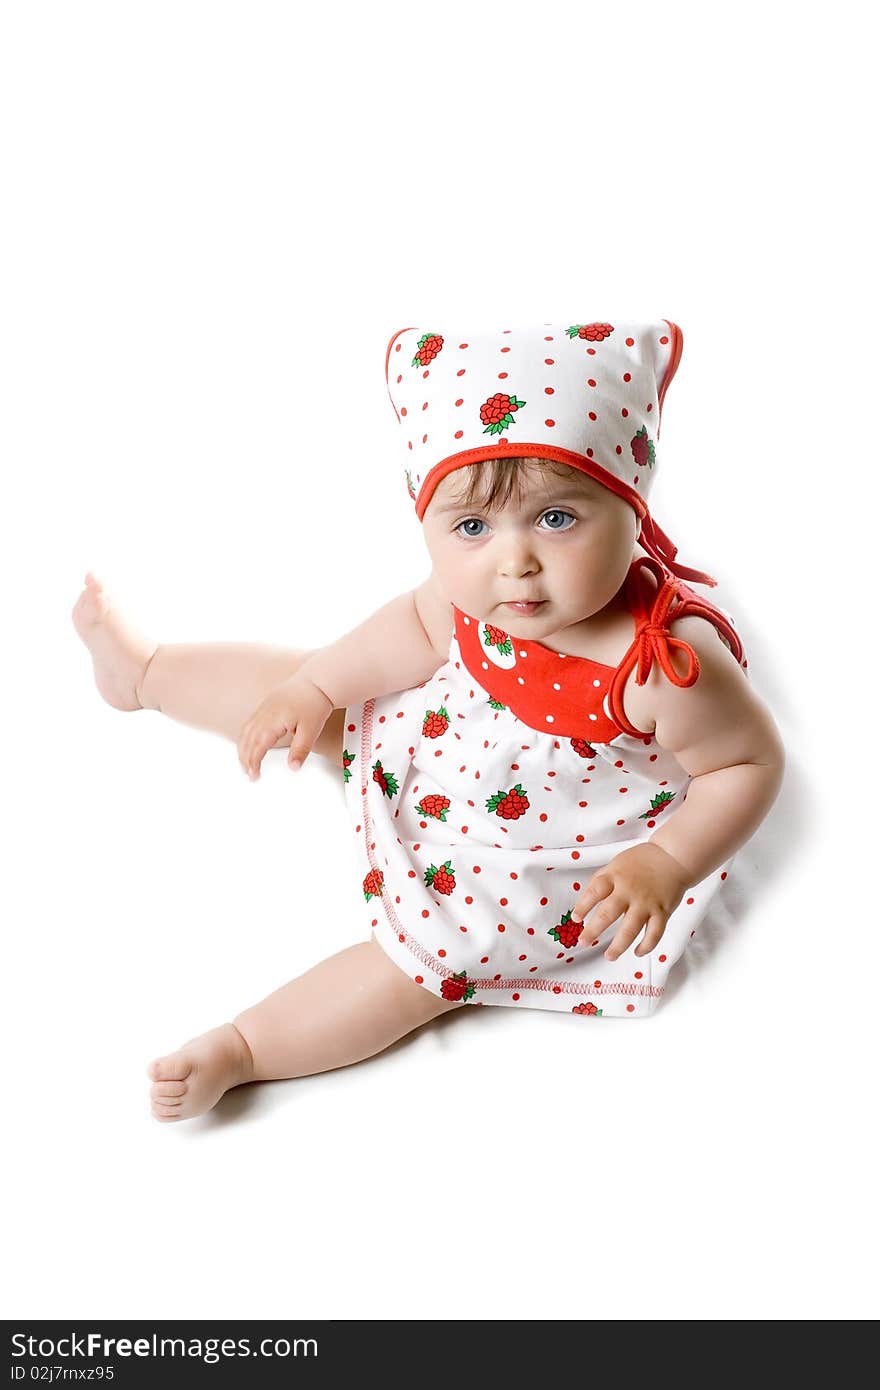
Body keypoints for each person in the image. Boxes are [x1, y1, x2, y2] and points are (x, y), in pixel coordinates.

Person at [72, 318, 786, 1122]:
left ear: (632, 505)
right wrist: (314, 687)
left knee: (433, 967)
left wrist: (669, 861)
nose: (514, 563)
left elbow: (746, 766)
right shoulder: (472, 592)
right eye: (473, 528)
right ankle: (145, 673)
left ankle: (246, 1047)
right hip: (458, 733)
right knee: (308, 688)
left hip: (553, 834)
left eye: (557, 520)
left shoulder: (663, 667)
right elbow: (411, 632)